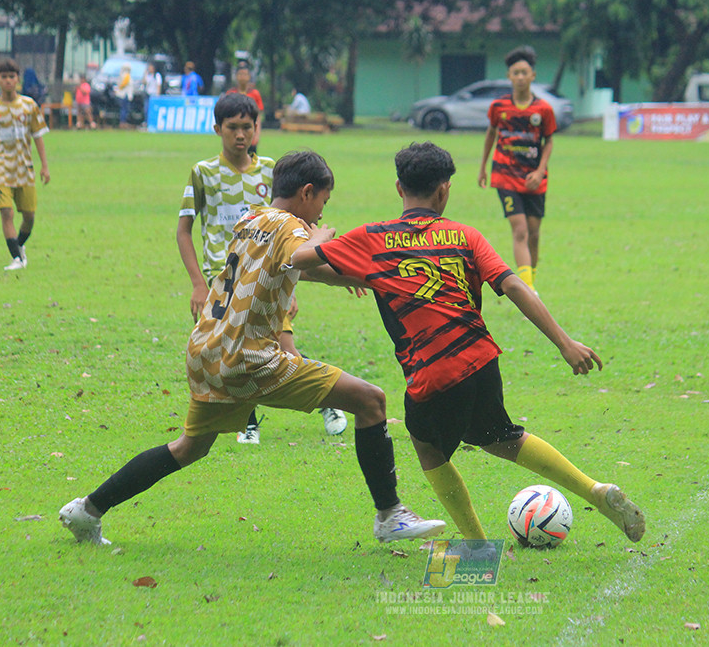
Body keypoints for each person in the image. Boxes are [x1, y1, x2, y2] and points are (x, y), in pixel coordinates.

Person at [59, 150, 446, 547]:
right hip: (250, 359)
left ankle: (86, 510)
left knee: (188, 448)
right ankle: (389, 516)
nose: (318, 215)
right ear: (307, 192)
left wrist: (347, 274)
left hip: (208, 350)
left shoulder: (251, 219)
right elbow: (300, 254)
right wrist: (321, 239)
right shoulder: (293, 226)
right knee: (371, 401)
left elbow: (294, 267)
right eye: (322, 204)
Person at [294, 142, 645, 544]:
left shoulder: (372, 239)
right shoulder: (464, 236)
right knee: (501, 436)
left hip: (432, 373)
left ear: (398, 188)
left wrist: (317, 236)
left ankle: (476, 545)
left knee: (427, 448)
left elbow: (300, 261)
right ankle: (593, 490)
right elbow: (513, 285)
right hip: (481, 361)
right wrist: (565, 343)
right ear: (443, 190)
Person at [176, 92, 346, 442]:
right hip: (225, 277)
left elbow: (289, 232)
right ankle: (314, 404)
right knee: (249, 349)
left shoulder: (272, 170)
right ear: (217, 129)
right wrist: (197, 283)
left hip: (268, 274)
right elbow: (184, 231)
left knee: (273, 347)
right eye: (232, 127)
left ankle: (267, 418)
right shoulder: (203, 173)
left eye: (247, 127)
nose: (240, 135)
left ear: (257, 129)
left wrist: (290, 284)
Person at [478, 45, 556, 293]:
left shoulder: (543, 109)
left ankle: (531, 279)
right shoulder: (498, 107)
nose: (520, 77)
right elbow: (491, 134)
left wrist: (541, 170)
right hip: (505, 176)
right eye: (515, 73)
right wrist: (482, 168)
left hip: (533, 179)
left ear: (533, 75)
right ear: (509, 76)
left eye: (524, 72)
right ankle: (529, 289)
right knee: (520, 230)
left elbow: (549, 141)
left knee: (534, 233)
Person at [0, 58, 50, 271]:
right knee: (6, 213)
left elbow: (38, 137)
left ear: (17, 79)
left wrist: (44, 166)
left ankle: (19, 246)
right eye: (4, 77)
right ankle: (17, 259)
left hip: (24, 169)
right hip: (0, 168)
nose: (8, 81)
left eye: (11, 77)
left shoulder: (29, 106)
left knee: (29, 217)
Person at [226, 61, 263, 154]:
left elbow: (258, 116)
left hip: (249, 133)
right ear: (236, 76)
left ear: (249, 76)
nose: (242, 77)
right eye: (240, 74)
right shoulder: (231, 94)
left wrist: (257, 134)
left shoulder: (255, 94)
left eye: (245, 74)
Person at [114, 63, 133, 128]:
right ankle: (122, 122)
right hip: (124, 95)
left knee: (123, 109)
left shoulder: (121, 75)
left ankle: (123, 122)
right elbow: (123, 85)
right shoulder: (126, 76)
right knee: (124, 109)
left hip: (122, 95)